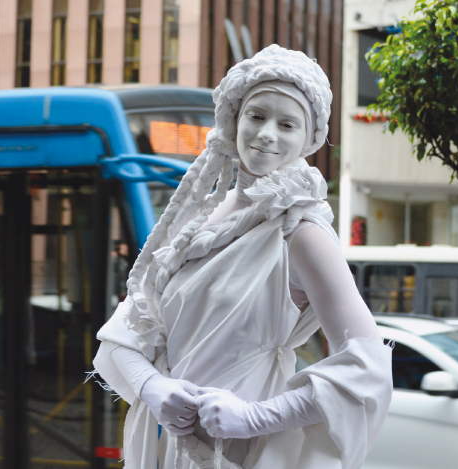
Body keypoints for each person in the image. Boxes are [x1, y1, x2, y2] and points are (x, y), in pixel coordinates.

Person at [92, 44, 393, 469]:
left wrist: (254, 417)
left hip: (242, 455)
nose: (267, 132)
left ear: (310, 139)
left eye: (287, 123)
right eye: (256, 115)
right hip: (168, 452)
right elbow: (123, 333)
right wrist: (152, 388)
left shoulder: (303, 234)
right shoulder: (195, 219)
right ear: (233, 120)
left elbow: (368, 370)